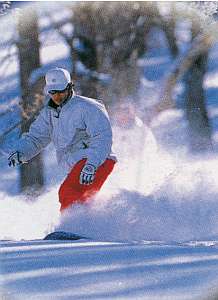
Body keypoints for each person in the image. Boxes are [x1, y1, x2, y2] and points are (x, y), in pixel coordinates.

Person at [8, 67, 117, 211]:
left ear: (70, 87)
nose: (57, 96)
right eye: (53, 93)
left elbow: (102, 137)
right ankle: (89, 226)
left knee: (69, 192)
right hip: (78, 163)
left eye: (61, 91)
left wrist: (91, 165)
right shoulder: (49, 114)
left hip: (96, 160)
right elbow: (36, 137)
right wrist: (21, 152)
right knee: (77, 198)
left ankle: (73, 228)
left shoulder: (87, 107)